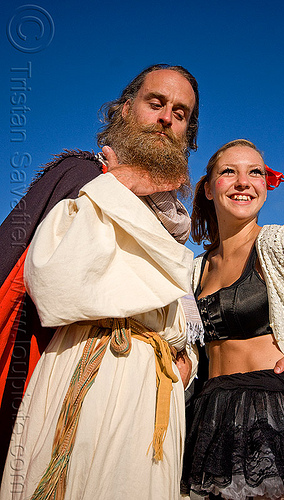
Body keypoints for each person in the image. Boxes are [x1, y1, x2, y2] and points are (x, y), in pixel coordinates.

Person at [0, 64, 202, 500]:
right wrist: (122, 182)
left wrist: (186, 364)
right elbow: (54, 282)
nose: (167, 117)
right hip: (88, 373)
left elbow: (177, 317)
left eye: (181, 113)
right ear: (125, 111)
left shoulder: (176, 223)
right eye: (157, 103)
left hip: (156, 403)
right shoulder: (84, 176)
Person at [181, 139, 284, 499]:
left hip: (277, 411)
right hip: (208, 416)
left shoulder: (280, 243)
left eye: (255, 172)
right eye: (228, 171)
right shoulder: (191, 270)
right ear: (207, 187)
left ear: (265, 184)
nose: (243, 181)